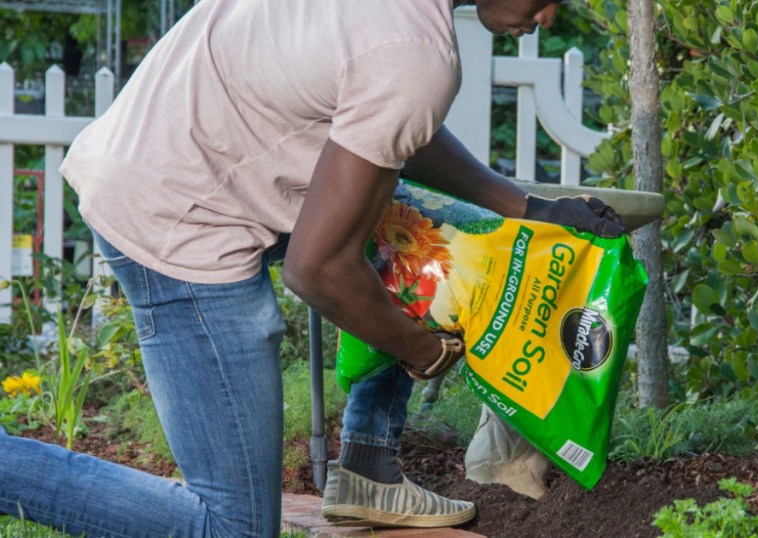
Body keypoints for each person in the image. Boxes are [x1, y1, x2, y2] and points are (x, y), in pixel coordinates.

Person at [0, 0, 623, 536]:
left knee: (433, 243)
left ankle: (369, 466)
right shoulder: (415, 52)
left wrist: (524, 205)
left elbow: (390, 125)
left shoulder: (402, 37)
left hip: (165, 157)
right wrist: (421, 350)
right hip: (181, 216)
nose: (547, 18)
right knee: (232, 527)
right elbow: (318, 270)